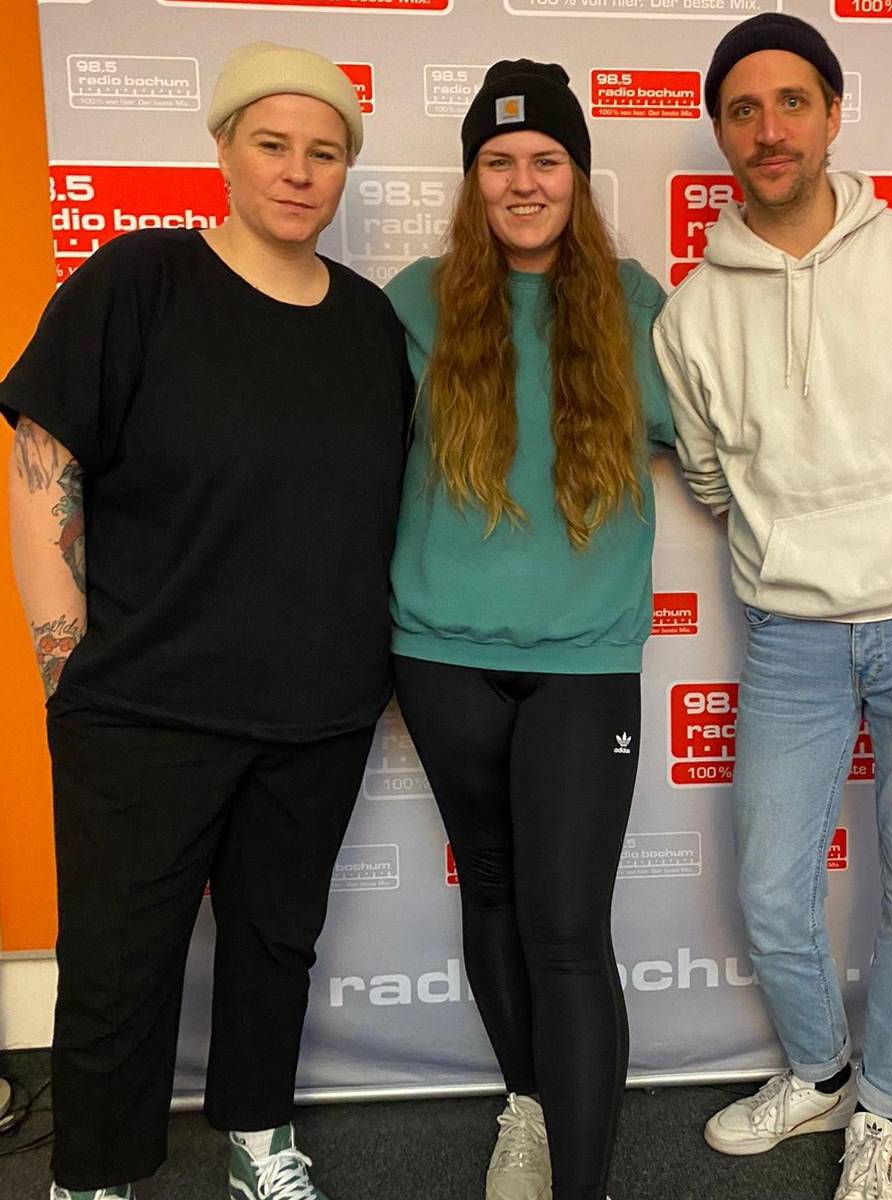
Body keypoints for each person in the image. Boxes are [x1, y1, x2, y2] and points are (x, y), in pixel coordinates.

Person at [4, 43, 412, 1200]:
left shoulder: (370, 324)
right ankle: (93, 1176)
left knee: (277, 944)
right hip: (143, 708)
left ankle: (258, 1138)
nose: (298, 171)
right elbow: (43, 469)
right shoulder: (139, 280)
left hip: (317, 713)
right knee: (116, 963)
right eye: (273, 144)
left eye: (324, 152)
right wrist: (67, 668)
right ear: (225, 148)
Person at [653, 14, 892, 1200]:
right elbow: (709, 475)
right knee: (772, 887)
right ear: (722, 133)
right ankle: (820, 1074)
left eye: (792, 103)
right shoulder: (691, 313)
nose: (769, 129)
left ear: (831, 115)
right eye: (744, 110)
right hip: (793, 635)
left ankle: (885, 1108)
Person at [384, 59, 674, 1200]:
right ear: (473, 181)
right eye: (498, 162)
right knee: (493, 894)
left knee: (566, 930)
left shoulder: (636, 304)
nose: (522, 182)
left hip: (583, 664)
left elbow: (743, 429)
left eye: (546, 159)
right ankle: (529, 1108)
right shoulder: (413, 302)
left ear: (578, 176)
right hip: (441, 657)